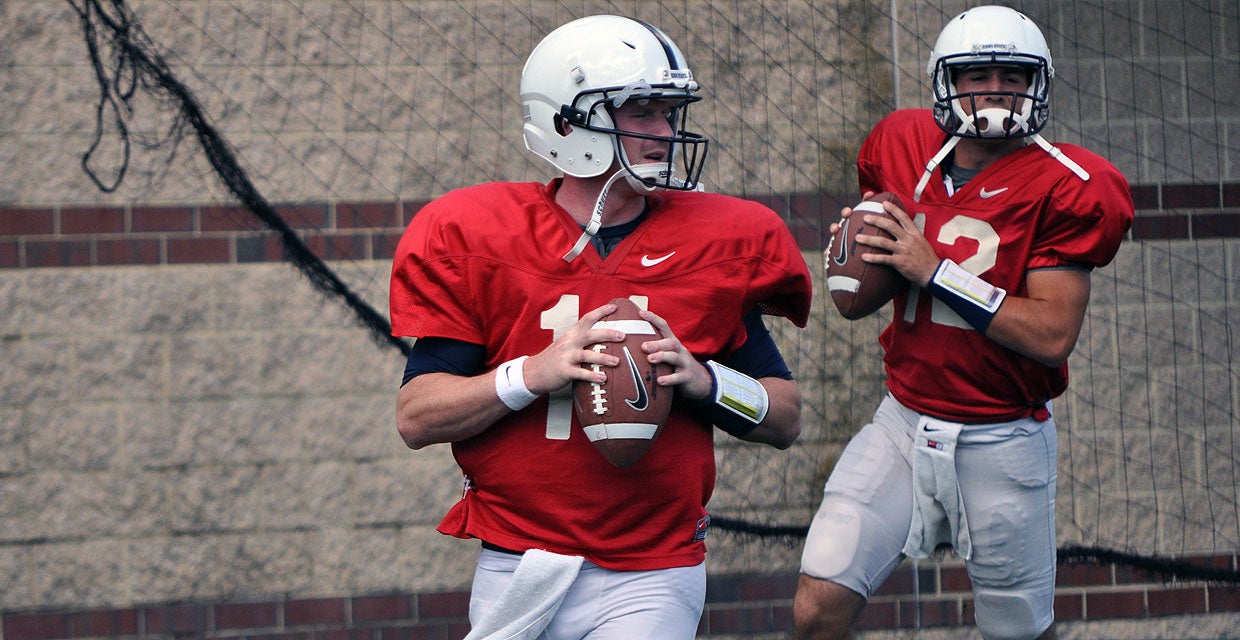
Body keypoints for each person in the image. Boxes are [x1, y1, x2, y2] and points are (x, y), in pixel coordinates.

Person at [388, 14, 813, 640]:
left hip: (654, 568)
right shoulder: (478, 235)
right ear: (566, 120)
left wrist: (709, 383)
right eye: (641, 111)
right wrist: (531, 374)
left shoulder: (717, 241)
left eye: (669, 113)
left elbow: (785, 418)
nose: (665, 131)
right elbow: (417, 417)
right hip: (517, 561)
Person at [793, 6, 1133, 640]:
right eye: (979, 73)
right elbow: (864, 284)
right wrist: (858, 252)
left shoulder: (1071, 183)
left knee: (1016, 631)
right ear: (945, 80)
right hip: (902, 418)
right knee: (819, 603)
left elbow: (1052, 334)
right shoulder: (900, 142)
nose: (997, 88)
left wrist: (935, 270)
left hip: (1000, 436)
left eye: (1014, 74)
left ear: (1040, 84)